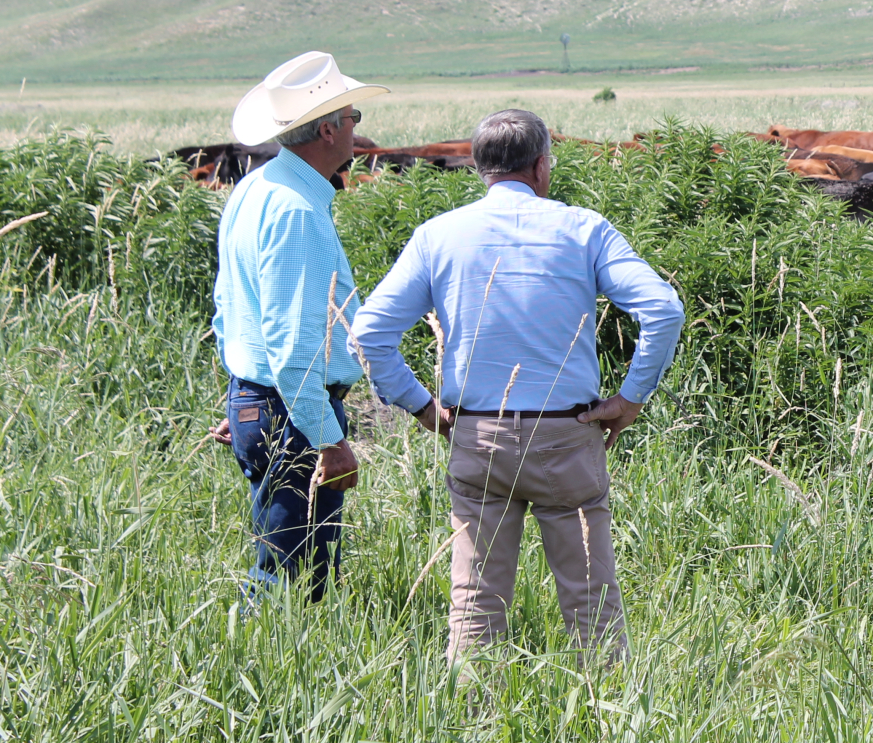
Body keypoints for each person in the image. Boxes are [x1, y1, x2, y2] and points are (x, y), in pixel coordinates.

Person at [352, 108, 684, 662]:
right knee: (591, 600)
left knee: (475, 602)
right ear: (540, 166)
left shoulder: (438, 236)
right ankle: (606, 713)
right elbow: (664, 310)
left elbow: (369, 332)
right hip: (567, 433)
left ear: (479, 168)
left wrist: (422, 407)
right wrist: (630, 398)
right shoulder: (583, 228)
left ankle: (472, 716)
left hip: (476, 434)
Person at [208, 51, 451, 601]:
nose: (358, 131)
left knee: (296, 563)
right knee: (290, 577)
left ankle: (281, 668)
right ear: (326, 130)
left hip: (264, 399)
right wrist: (329, 440)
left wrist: (240, 396)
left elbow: (227, 307)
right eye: (352, 118)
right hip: (291, 409)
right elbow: (296, 345)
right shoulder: (296, 209)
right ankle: (265, 671)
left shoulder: (254, 188)